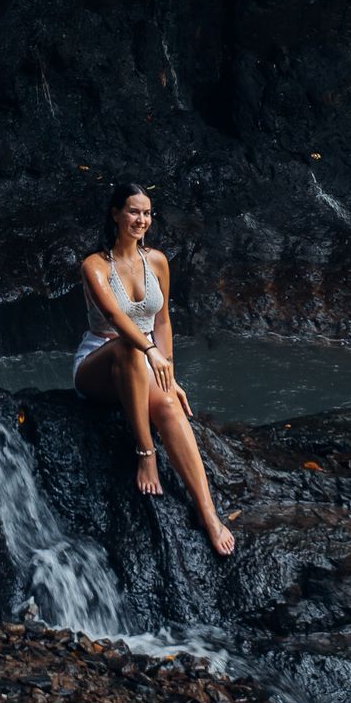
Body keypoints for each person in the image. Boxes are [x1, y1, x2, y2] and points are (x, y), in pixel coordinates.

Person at [74, 182, 235, 556]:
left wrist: (170, 377)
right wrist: (149, 351)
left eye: (146, 213)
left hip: (148, 360)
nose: (141, 220)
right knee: (129, 350)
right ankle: (146, 455)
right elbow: (114, 315)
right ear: (115, 214)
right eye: (133, 211)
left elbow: (161, 322)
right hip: (100, 359)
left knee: (169, 405)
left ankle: (208, 514)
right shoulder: (94, 265)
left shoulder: (158, 261)